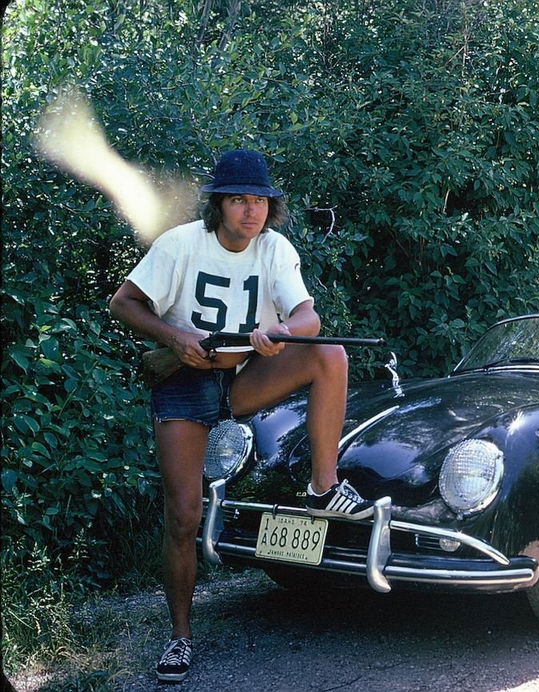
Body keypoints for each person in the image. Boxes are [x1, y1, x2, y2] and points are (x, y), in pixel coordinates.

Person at [109, 149, 372, 683]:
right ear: (219, 205)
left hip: (246, 373)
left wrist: (282, 334)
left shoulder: (275, 248)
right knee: (183, 517)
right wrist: (174, 338)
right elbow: (123, 303)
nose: (251, 211)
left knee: (330, 354)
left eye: (260, 201)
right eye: (238, 200)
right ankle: (180, 637)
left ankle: (323, 488)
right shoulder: (181, 244)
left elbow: (308, 316)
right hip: (184, 381)